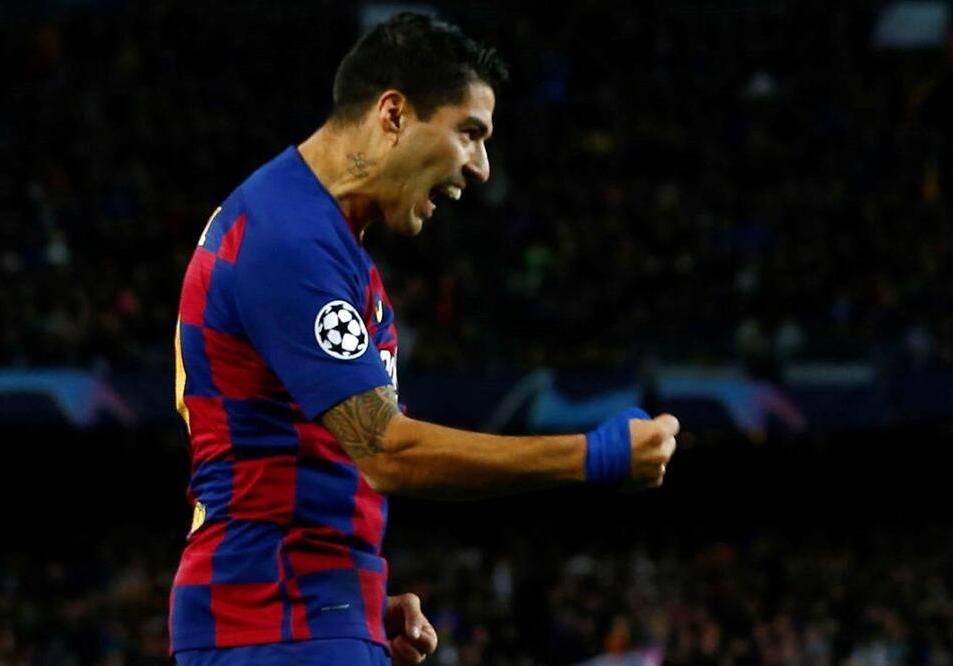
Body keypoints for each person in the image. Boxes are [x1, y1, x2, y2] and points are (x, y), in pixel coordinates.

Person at [170, 12, 679, 666]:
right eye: (470, 133)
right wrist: (594, 455)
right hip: (271, 625)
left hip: (299, 613)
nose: (482, 167)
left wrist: (355, 600)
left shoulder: (324, 242)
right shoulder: (286, 238)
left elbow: (299, 456)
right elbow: (387, 451)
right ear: (393, 114)